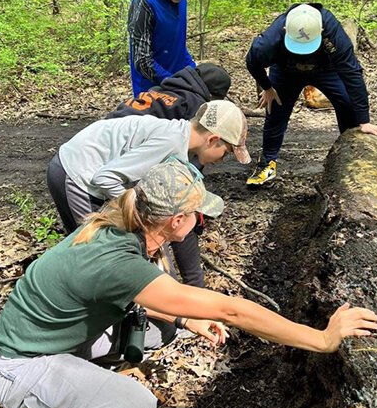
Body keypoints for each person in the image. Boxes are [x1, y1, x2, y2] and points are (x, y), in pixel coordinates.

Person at [0, 158, 377, 408]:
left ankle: (70, 386)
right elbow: (232, 310)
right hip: (19, 361)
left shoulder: (121, 224)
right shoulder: (118, 261)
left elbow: (146, 297)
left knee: (161, 328)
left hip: (48, 336)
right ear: (177, 221)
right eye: (196, 213)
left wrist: (185, 319)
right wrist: (323, 339)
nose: (200, 219)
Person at [47, 100, 250, 288]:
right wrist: (139, 216)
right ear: (213, 139)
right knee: (98, 251)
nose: (223, 160)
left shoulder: (179, 143)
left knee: (131, 243)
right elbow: (105, 178)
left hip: (93, 173)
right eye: (226, 152)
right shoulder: (169, 142)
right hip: (76, 174)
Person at [245, 3, 377, 188]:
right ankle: (267, 163)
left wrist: (364, 120)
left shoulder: (334, 34)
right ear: (285, 29)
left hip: (326, 69)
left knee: (348, 103)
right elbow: (252, 61)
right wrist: (267, 88)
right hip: (286, 71)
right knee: (276, 108)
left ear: (321, 30)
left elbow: (352, 73)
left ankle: (351, 157)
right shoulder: (271, 40)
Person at [128, 0, 204, 96]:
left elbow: (178, 45)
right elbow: (141, 60)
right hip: (151, 92)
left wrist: (192, 72)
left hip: (179, 86)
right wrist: (173, 81)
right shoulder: (145, 2)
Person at [105, 62, 231, 121]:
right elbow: (193, 142)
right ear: (211, 95)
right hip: (129, 133)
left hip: (108, 122)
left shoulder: (162, 88)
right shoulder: (195, 103)